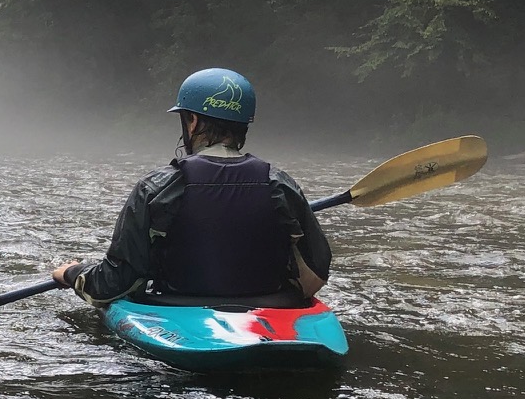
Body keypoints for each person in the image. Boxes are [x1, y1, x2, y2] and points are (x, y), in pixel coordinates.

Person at [52, 68, 330, 307]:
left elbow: (114, 284)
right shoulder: (279, 183)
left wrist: (71, 272)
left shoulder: (158, 187)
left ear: (193, 121)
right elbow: (316, 267)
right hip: (272, 306)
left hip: (176, 307)